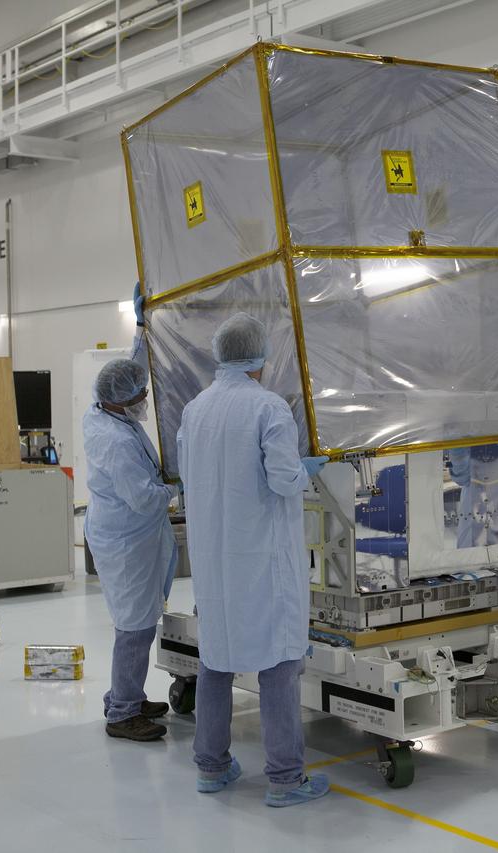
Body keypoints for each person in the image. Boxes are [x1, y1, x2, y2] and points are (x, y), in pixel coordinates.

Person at [177, 312, 331, 808]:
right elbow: (284, 480)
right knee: (279, 663)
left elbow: (188, 474)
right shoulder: (268, 408)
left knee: (216, 659)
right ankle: (286, 779)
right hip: (263, 559)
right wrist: (306, 469)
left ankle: (211, 766)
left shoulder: (195, 410)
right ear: (260, 358)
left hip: (215, 560)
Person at [82, 284, 179, 742]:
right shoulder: (116, 441)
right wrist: (179, 486)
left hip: (127, 532)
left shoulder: (104, 409)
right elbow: (145, 498)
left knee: (138, 621)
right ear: (122, 400)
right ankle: (122, 713)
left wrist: (142, 326)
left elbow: (132, 369)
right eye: (140, 394)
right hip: (127, 540)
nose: (145, 397)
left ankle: (129, 696)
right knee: (135, 627)